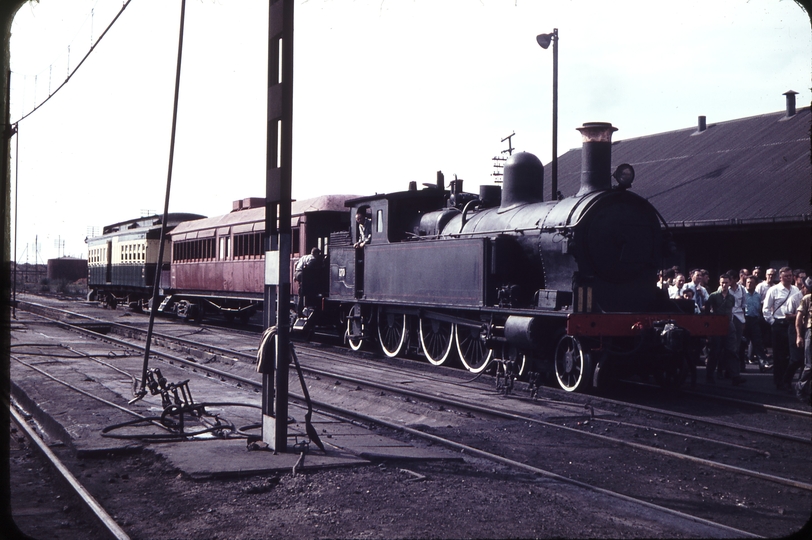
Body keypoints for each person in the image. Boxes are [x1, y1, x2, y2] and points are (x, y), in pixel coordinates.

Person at [763, 267, 800, 391]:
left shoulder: (795, 290)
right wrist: (773, 323)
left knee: (791, 354)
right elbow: (766, 309)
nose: (789, 278)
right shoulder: (774, 290)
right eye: (786, 276)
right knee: (779, 355)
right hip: (778, 324)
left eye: (790, 276)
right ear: (780, 277)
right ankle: (779, 381)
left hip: (792, 323)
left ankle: (786, 380)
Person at [704, 274, 745, 385]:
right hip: (716, 325)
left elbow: (732, 310)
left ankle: (735, 376)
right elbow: (707, 312)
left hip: (728, 324)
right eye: (722, 282)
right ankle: (709, 375)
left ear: (729, 283)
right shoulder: (713, 296)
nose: (724, 285)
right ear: (719, 282)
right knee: (715, 351)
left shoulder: (731, 297)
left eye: (726, 282)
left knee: (732, 350)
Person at [743, 275, 770, 370]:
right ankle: (740, 365)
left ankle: (763, 364)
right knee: (741, 344)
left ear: (755, 284)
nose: (749, 284)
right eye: (748, 282)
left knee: (758, 342)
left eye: (751, 283)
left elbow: (759, 308)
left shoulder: (758, 295)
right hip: (744, 320)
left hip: (754, 320)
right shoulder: (742, 294)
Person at [794, 277, 812, 403]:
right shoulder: (807, 299)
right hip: (810, 332)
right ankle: (800, 387)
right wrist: (799, 336)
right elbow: (799, 319)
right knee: (809, 365)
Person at [725, 270, 746, 373]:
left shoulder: (742, 289)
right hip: (727, 317)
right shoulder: (723, 289)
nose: (728, 281)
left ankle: (734, 370)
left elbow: (743, 305)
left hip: (738, 317)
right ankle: (725, 368)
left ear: (735, 279)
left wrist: (743, 322)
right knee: (726, 344)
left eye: (730, 279)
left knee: (737, 345)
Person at [294, 247, 322, 317]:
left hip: (297, 272)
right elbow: (307, 267)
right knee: (304, 292)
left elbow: (295, 263)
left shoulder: (304, 256)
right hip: (302, 274)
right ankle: (303, 309)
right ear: (315, 253)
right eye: (318, 254)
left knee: (301, 293)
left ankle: (300, 310)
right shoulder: (313, 259)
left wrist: (295, 275)